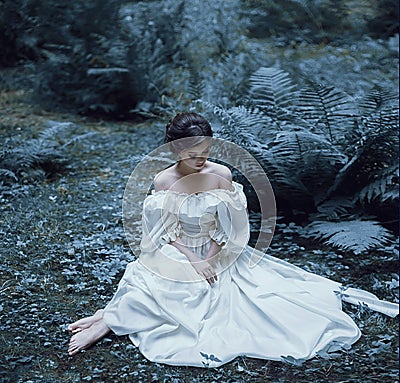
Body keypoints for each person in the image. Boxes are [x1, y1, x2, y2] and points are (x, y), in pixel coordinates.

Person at [68, 112, 398, 367]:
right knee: (155, 276)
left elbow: (233, 229)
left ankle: (108, 320)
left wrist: (211, 256)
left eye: (206, 151)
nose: (201, 159)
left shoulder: (220, 175)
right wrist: (193, 258)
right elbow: (162, 232)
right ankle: (107, 320)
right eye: (193, 153)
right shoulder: (163, 181)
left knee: (210, 293)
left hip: (221, 250)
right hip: (179, 247)